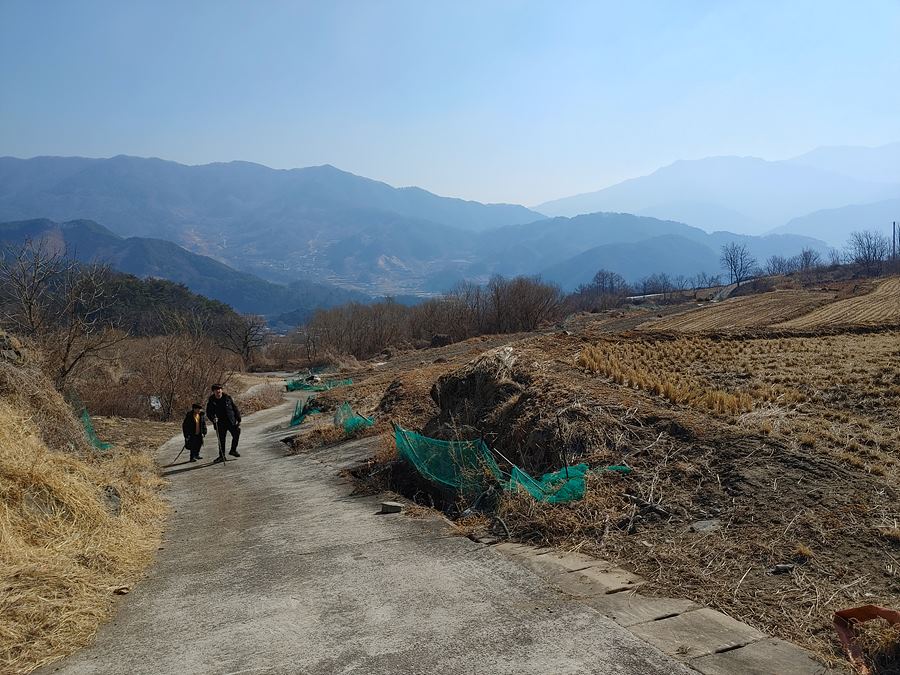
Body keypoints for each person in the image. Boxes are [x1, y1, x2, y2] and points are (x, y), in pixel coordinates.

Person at [206, 383, 242, 463]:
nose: (218, 391)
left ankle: (233, 450)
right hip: (220, 424)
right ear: (213, 391)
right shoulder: (212, 401)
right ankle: (222, 456)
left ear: (221, 390)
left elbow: (234, 408)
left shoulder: (227, 398)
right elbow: (209, 412)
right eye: (216, 390)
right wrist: (213, 419)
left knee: (237, 434)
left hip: (231, 421)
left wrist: (238, 418)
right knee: (221, 440)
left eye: (219, 389)